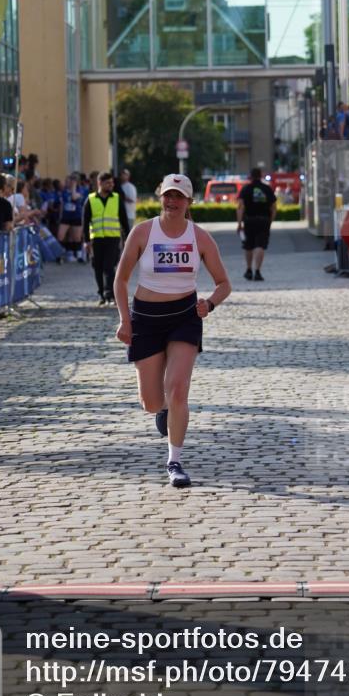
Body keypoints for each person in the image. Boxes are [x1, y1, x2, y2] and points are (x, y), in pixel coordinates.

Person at [114, 173, 231, 488]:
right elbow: (121, 279)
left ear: (189, 202)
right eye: (168, 195)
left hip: (184, 317)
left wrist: (211, 303)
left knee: (178, 388)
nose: (172, 201)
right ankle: (162, 409)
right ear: (159, 196)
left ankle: (175, 461)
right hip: (146, 318)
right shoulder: (142, 233)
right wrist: (125, 320)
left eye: (179, 196)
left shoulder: (200, 237)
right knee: (152, 401)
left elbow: (224, 283)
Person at [83, 172, 129, 305]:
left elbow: (124, 219)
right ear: (100, 183)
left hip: (113, 238)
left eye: (112, 183)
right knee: (97, 267)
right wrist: (86, 241)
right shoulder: (91, 199)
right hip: (96, 239)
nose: (111, 185)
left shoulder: (116, 198)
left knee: (109, 266)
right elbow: (85, 222)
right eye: (108, 183)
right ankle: (101, 294)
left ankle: (110, 294)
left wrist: (127, 237)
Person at [236, 167, 277, 281]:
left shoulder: (246, 189)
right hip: (264, 220)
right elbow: (274, 208)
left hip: (249, 220)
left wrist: (239, 223)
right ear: (261, 175)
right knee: (260, 245)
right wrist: (270, 222)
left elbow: (240, 207)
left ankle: (249, 270)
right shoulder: (267, 189)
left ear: (251, 176)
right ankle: (257, 271)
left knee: (248, 245)